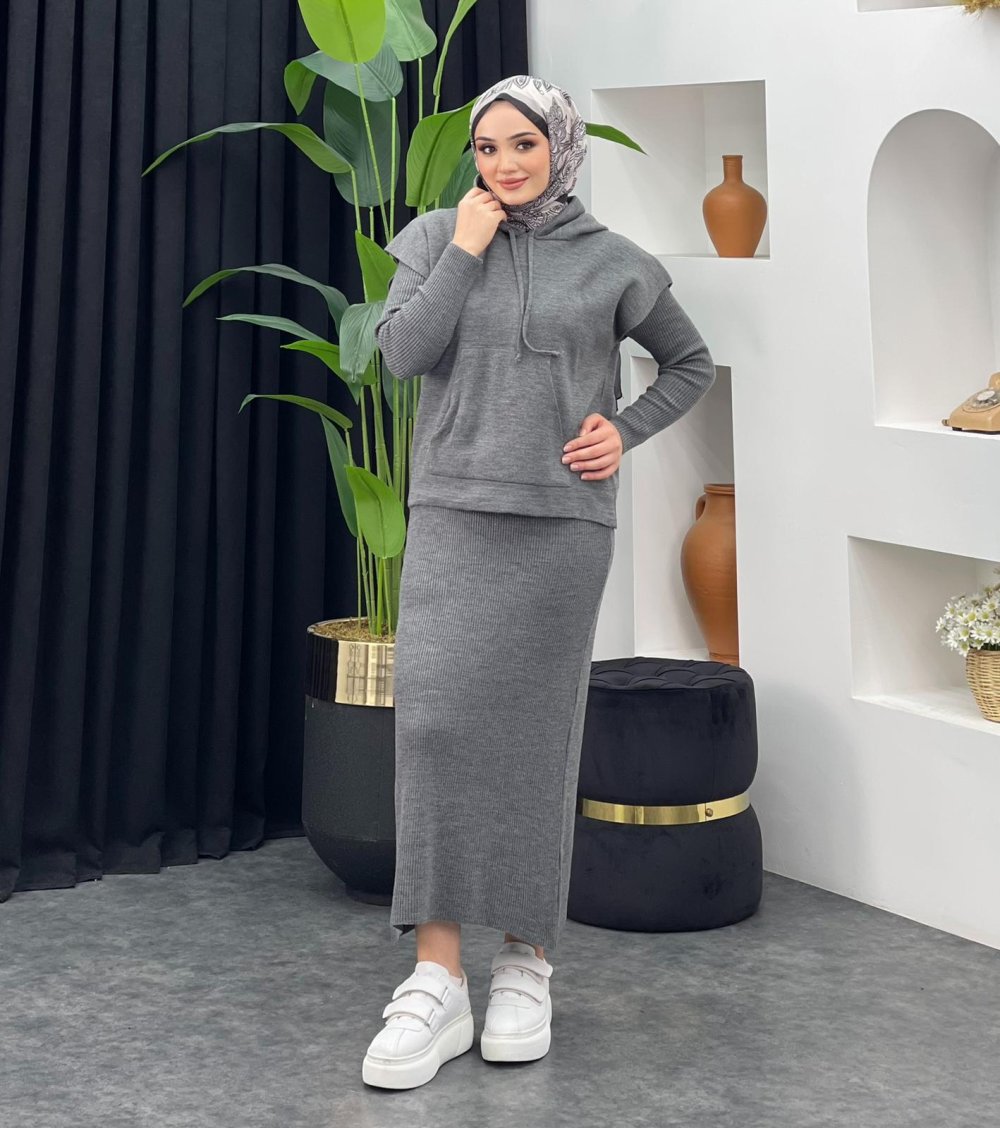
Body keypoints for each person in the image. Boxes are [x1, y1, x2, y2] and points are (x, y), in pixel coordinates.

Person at [362, 74, 716, 1090]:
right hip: (453, 514)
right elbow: (401, 354)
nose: (505, 164)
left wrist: (623, 430)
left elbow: (688, 365)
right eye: (487, 148)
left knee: (535, 741)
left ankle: (527, 960)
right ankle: (437, 977)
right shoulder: (437, 236)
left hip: (561, 528)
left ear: (560, 147)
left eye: (523, 144)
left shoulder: (614, 261)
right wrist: (466, 250)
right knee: (434, 731)